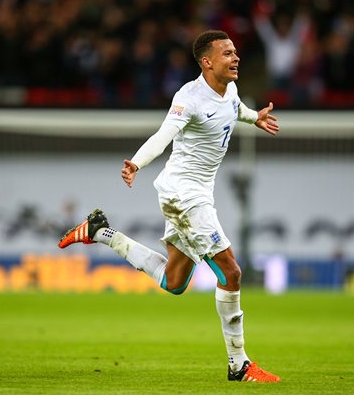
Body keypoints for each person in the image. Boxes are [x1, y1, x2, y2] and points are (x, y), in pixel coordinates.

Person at [58, 30, 281, 383]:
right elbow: (164, 135)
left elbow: (234, 109)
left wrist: (255, 117)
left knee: (175, 282)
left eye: (235, 51)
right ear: (207, 62)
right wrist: (136, 163)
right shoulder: (189, 97)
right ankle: (239, 364)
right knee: (231, 273)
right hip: (183, 194)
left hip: (198, 194)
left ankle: (102, 232)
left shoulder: (231, 89)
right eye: (227, 53)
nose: (235, 57)